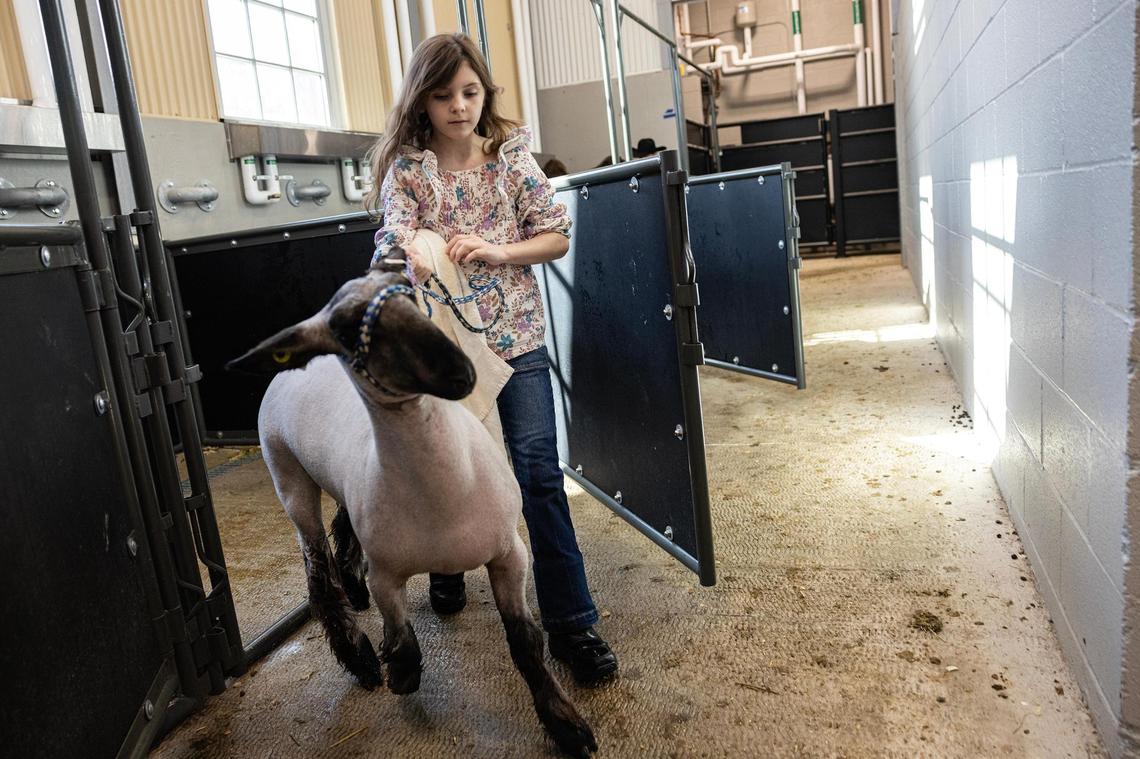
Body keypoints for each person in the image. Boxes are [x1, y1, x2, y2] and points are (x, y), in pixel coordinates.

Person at [364, 33, 618, 686]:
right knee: (447, 467)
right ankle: (447, 567)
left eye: (470, 91)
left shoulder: (510, 160)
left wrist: (502, 251)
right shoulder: (411, 171)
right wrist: (408, 250)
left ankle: (572, 623)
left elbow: (556, 233)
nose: (459, 105)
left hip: (518, 339)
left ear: (486, 92)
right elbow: (391, 231)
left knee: (536, 473)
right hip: (445, 349)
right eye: (444, 94)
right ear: (423, 99)